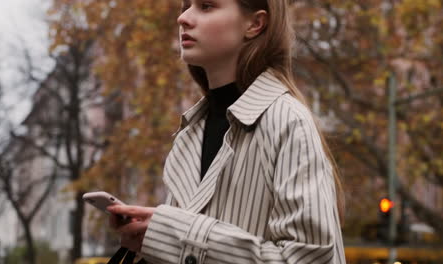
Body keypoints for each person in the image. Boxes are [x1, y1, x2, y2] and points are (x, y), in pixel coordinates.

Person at [107, 0, 346, 263]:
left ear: (255, 24)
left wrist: (175, 236)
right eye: (186, 6)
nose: (183, 18)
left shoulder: (287, 121)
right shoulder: (189, 133)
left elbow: (305, 258)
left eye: (206, 6)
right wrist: (150, 242)